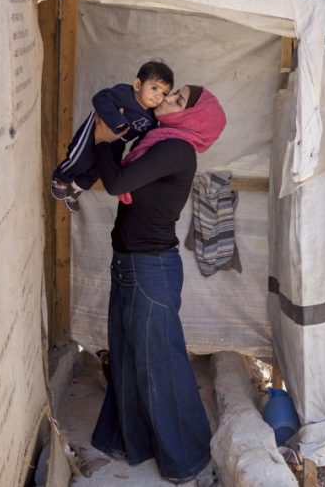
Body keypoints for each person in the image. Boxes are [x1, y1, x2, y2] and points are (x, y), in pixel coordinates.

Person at [90, 85, 227, 485]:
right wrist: (111, 143)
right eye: (171, 93)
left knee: (160, 364)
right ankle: (130, 441)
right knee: (130, 356)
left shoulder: (176, 150)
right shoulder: (157, 140)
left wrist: (103, 142)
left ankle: (186, 459)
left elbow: (116, 184)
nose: (166, 99)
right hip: (133, 264)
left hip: (149, 270)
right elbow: (122, 178)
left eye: (178, 100)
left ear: (193, 118)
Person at [50, 61, 174, 212]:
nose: (157, 96)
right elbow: (100, 98)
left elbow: (144, 139)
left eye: (163, 93)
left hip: (117, 142)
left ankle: (75, 189)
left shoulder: (152, 118)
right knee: (81, 159)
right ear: (137, 85)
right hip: (96, 129)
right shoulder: (124, 94)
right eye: (154, 88)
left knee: (102, 167)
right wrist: (117, 121)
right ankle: (61, 178)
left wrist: (133, 155)